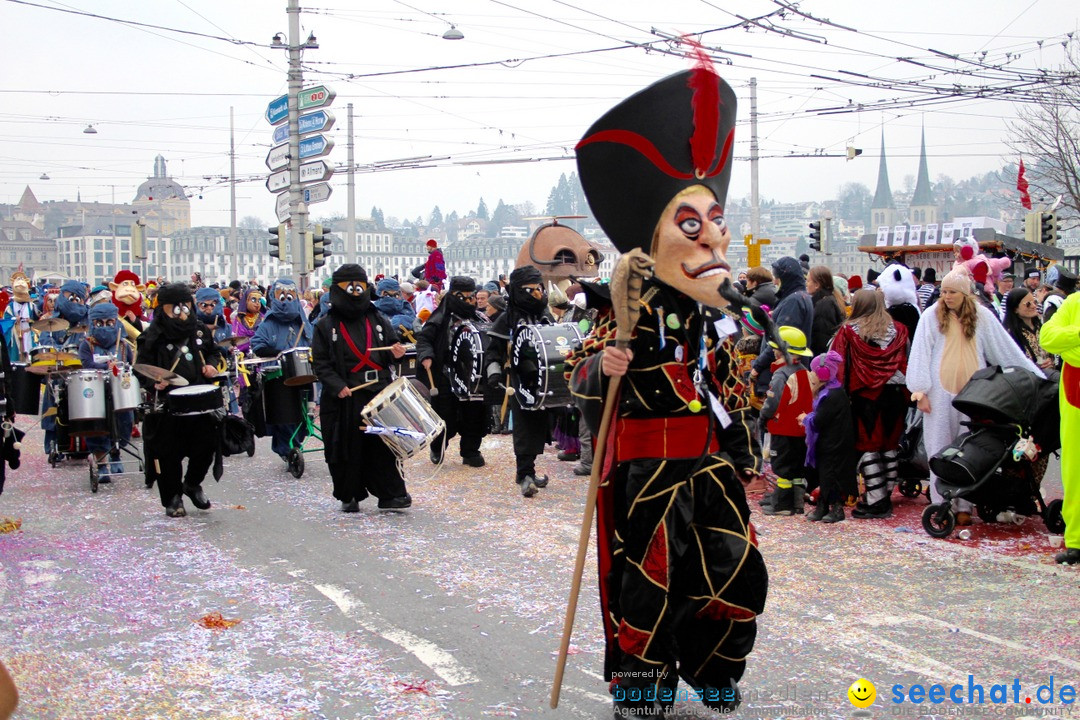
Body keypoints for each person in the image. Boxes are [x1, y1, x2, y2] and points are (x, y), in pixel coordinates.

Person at [570, 57, 766, 716]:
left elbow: (734, 389)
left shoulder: (720, 310)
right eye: (691, 224)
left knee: (731, 567)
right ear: (654, 237)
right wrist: (603, 370)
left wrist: (744, 405)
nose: (713, 236)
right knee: (648, 583)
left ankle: (716, 670)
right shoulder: (625, 306)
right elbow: (579, 373)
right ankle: (643, 688)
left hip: (708, 463)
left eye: (714, 219)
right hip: (648, 469)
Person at [907, 270, 1042, 526]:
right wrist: (919, 390)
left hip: (973, 394)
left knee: (968, 450)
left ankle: (965, 505)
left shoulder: (982, 316)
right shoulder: (930, 316)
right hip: (939, 393)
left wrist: (1035, 378)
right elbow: (920, 352)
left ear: (965, 294)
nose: (946, 296)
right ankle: (941, 503)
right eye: (944, 291)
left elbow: (1005, 350)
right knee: (939, 447)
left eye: (952, 292)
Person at [311, 263, 412, 512]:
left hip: (377, 391)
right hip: (346, 396)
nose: (356, 293)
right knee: (347, 448)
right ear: (338, 290)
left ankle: (391, 494)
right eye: (350, 287)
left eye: (360, 287)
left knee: (383, 446)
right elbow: (321, 364)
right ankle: (350, 493)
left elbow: (391, 348)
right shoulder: (325, 325)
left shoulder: (377, 318)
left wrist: (397, 353)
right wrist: (337, 386)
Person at [136, 283, 224, 517]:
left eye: (185, 305)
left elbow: (215, 352)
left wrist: (211, 366)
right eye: (175, 306)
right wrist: (154, 382)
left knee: (206, 447)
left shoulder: (198, 330)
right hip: (168, 403)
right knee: (168, 454)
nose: (181, 310)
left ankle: (192, 484)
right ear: (163, 308)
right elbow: (141, 368)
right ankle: (173, 497)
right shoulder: (152, 336)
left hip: (199, 399)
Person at [829, 289, 909, 518]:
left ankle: (875, 499)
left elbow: (839, 367)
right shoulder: (901, 330)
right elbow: (907, 361)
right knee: (890, 444)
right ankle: (885, 495)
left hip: (865, 394)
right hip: (897, 393)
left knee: (867, 446)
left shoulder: (848, 332)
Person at [483, 266, 556, 497]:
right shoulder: (507, 318)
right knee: (524, 427)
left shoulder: (545, 314)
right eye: (531, 290)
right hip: (519, 380)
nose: (537, 294)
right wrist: (494, 372)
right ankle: (524, 474)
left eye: (539, 289)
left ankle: (528, 471)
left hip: (542, 381)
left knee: (538, 426)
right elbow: (492, 352)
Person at [416, 275, 488, 468]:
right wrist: (427, 355)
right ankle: (438, 447)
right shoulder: (440, 318)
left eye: (469, 297)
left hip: (473, 376)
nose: (466, 301)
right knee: (445, 415)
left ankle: (470, 451)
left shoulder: (480, 318)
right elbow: (424, 339)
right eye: (461, 297)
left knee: (474, 414)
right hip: (446, 375)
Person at [250, 278, 312, 463]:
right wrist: (278, 353)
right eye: (281, 296)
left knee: (303, 414)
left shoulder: (303, 322)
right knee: (284, 416)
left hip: (303, 373)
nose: (286, 301)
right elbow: (258, 345)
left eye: (290, 296)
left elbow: (313, 341)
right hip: (278, 376)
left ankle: (295, 444)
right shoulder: (268, 324)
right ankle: (287, 449)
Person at [1039, 291, 1080, 564]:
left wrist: (1070, 340)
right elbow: (1048, 338)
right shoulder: (1075, 301)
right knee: (1074, 467)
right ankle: (1077, 540)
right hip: (1074, 389)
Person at [759, 326, 815, 516]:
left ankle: (782, 505)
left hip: (783, 428)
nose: (773, 351)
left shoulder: (780, 374)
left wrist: (763, 417)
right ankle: (797, 503)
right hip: (801, 429)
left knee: (782, 467)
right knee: (797, 468)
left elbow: (772, 402)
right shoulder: (804, 371)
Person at [77, 303, 135, 479]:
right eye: (99, 323)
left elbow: (129, 364)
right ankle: (101, 463)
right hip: (96, 390)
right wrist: (103, 365)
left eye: (109, 323)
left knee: (123, 421)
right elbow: (86, 364)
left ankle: (116, 454)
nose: (105, 327)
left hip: (118, 390)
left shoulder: (124, 345)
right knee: (96, 425)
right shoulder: (87, 345)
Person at [800, 350, 856, 523]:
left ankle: (836, 508)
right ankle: (823, 505)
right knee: (825, 476)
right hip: (830, 443)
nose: (812, 375)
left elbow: (819, 420)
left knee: (832, 477)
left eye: (814, 371)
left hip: (834, 445)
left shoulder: (832, 396)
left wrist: (805, 418)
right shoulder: (831, 392)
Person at [750, 257, 812, 397]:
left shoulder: (793, 301)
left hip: (781, 371)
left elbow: (780, 339)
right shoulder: (798, 297)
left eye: (777, 277)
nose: (774, 281)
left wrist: (757, 367)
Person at [1003, 287, 1057, 380]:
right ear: (1015, 309)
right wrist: (1035, 366)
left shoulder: (1041, 326)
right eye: (1028, 304)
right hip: (1029, 381)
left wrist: (1051, 361)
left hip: (1050, 377)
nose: (1033, 306)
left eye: (1034, 302)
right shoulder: (1010, 333)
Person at [806, 266, 844, 357]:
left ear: (817, 285)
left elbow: (821, 338)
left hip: (821, 359)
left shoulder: (823, 305)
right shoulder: (830, 299)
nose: (806, 284)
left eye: (808, 281)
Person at [229, 286, 264, 354]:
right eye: (253, 300)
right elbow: (236, 338)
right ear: (246, 301)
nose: (257, 303)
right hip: (242, 356)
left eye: (259, 300)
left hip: (260, 354)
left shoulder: (263, 318)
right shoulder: (238, 319)